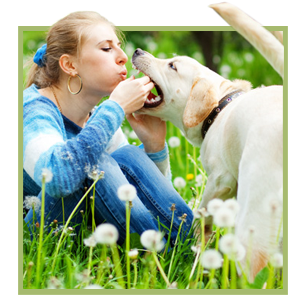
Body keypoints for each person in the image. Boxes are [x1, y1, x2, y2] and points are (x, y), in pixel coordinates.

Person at [23, 12, 193, 245]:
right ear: (70, 65)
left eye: (119, 47)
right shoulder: (31, 111)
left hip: (87, 230)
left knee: (128, 155)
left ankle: (191, 244)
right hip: (42, 234)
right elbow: (56, 178)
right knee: (94, 162)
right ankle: (161, 254)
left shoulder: (96, 119)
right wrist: (115, 108)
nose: (123, 57)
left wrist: (154, 146)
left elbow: (143, 195)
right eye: (106, 49)